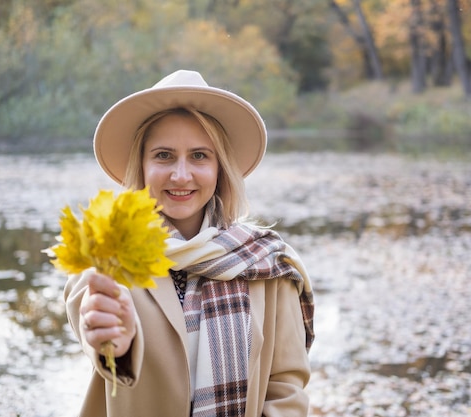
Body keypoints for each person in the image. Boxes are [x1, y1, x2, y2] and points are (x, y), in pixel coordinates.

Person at [63, 69, 315, 417]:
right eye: (164, 155)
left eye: (199, 156)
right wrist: (113, 346)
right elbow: (90, 314)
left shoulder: (267, 263)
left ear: (220, 168)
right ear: (142, 165)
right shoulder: (108, 258)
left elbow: (286, 387)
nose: (181, 175)